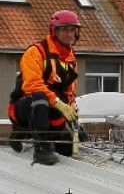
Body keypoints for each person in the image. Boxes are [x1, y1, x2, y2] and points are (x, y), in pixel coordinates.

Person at [7, 10, 81, 165]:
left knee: (67, 148)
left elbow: (69, 91)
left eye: (73, 30)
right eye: (65, 29)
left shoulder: (71, 59)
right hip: (26, 107)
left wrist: (72, 113)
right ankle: (40, 149)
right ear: (55, 30)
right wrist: (58, 103)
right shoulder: (36, 52)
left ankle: (43, 137)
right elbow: (32, 85)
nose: (69, 34)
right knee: (40, 98)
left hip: (51, 108)